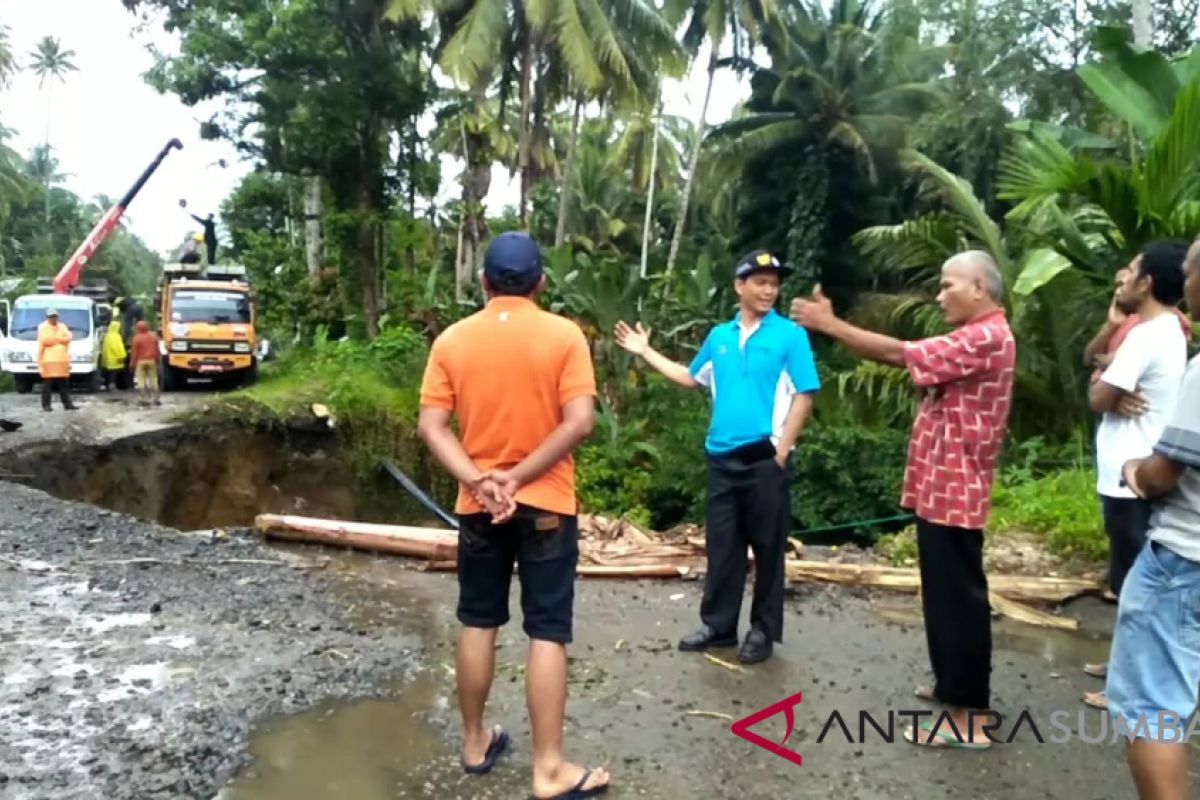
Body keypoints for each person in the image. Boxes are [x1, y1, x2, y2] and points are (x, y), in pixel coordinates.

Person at [791, 250, 1015, 749]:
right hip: (943, 486)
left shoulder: (985, 335)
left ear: (979, 288)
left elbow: (901, 354)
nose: (940, 296)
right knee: (941, 593)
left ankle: (970, 717)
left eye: (948, 285)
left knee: (958, 600)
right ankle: (951, 684)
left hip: (956, 489)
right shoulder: (975, 335)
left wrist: (831, 325)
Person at [417, 231, 608, 800]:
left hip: (477, 509)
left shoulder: (453, 340)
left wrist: (480, 480)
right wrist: (520, 479)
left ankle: (475, 742)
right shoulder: (564, 336)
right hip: (546, 504)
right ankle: (549, 769)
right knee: (547, 629)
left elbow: (431, 426)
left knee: (478, 619)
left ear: (483, 283)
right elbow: (579, 422)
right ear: (541, 283)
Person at [613, 250, 819, 665]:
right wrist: (644, 351)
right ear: (739, 286)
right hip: (721, 457)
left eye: (774, 283)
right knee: (722, 546)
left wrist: (781, 451)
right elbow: (690, 378)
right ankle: (719, 627)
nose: (768, 290)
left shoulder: (790, 336)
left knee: (767, 550)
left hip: (765, 458)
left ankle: (762, 631)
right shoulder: (719, 337)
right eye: (759, 281)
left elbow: (805, 393)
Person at [1108, 236, 1200, 800]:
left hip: (1185, 560)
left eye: (1191, 271)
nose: (1186, 283)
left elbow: (1165, 474)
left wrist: (1134, 469)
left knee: (1154, 707)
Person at [1081, 240, 1190, 710]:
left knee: (1133, 581)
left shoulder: (1147, 334)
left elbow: (1098, 398)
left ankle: (1126, 685)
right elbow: (1104, 378)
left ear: (1147, 283)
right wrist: (1109, 377)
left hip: (1134, 474)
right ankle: (1122, 666)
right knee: (1127, 575)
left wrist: (1108, 386)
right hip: (1131, 469)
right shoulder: (1157, 331)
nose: (1121, 279)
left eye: (1131, 272)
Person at [1084, 266, 1192, 383]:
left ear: (1143, 285)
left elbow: (1163, 363)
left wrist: (1117, 363)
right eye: (1118, 285)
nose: (1119, 291)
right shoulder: (1121, 317)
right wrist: (1110, 326)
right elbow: (1089, 359)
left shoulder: (1169, 320)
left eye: (1125, 284)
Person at [37, 309, 76, 412]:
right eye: (51, 316)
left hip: (62, 360)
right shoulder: (43, 327)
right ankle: (46, 406)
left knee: (64, 383)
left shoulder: (62, 326)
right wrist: (59, 339)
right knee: (47, 384)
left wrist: (55, 339)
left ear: (57, 317)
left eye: (55, 316)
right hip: (48, 360)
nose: (53, 318)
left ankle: (68, 404)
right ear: (47, 317)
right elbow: (45, 340)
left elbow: (69, 337)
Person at [129, 321, 161, 406]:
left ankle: (143, 399)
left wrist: (132, 364)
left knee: (141, 380)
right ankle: (156, 398)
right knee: (153, 379)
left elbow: (134, 353)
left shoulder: (136, 338)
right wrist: (158, 360)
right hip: (151, 361)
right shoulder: (153, 337)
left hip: (140, 362)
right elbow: (157, 350)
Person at [101, 321, 127, 391]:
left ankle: (108, 386)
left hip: (108, 359)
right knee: (114, 375)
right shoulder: (116, 336)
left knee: (109, 374)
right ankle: (112, 387)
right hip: (115, 359)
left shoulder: (107, 335)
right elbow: (117, 347)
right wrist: (122, 355)